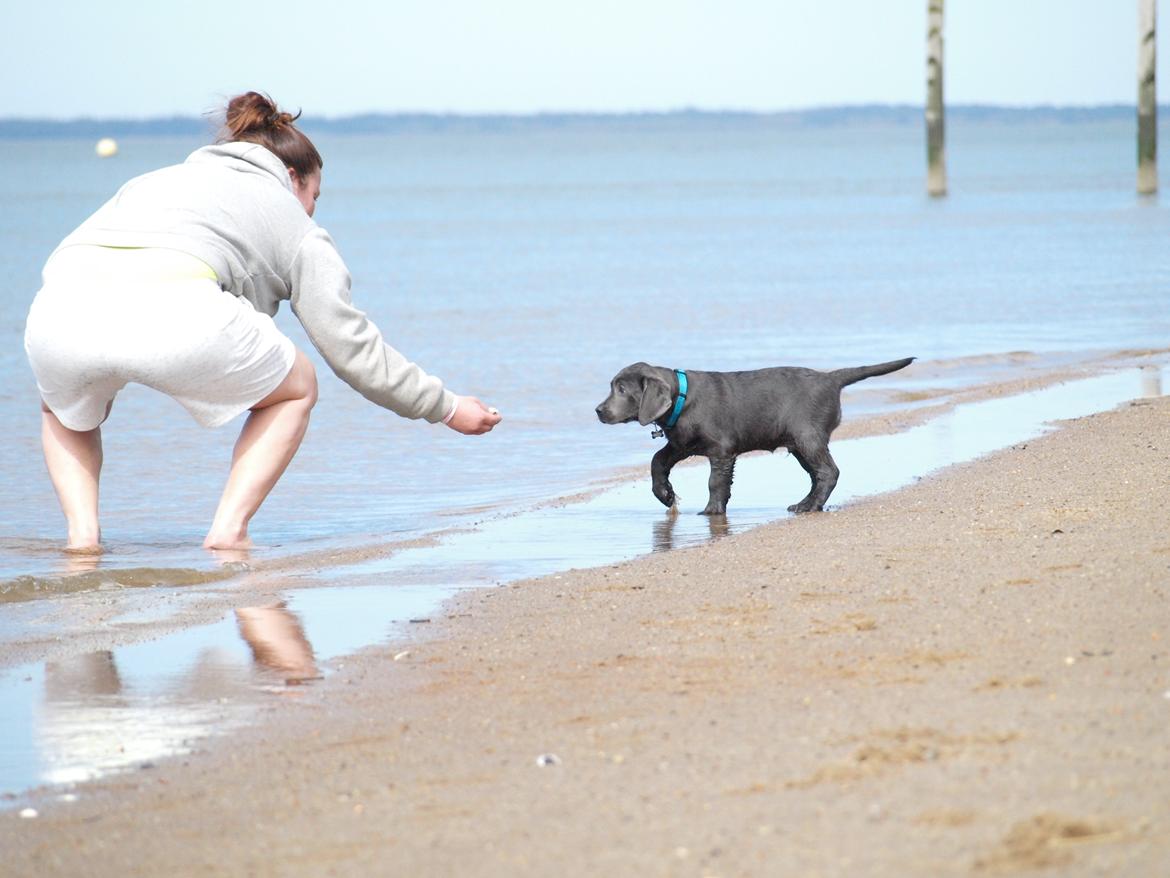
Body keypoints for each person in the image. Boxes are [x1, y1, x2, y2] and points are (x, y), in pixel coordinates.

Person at [24, 91, 501, 553]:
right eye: (315, 195)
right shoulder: (294, 222)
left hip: (57, 308)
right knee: (297, 385)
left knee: (64, 409)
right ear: (293, 177)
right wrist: (446, 406)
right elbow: (351, 350)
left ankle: (82, 542)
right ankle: (229, 531)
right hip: (175, 307)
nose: (313, 208)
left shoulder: (152, 180)